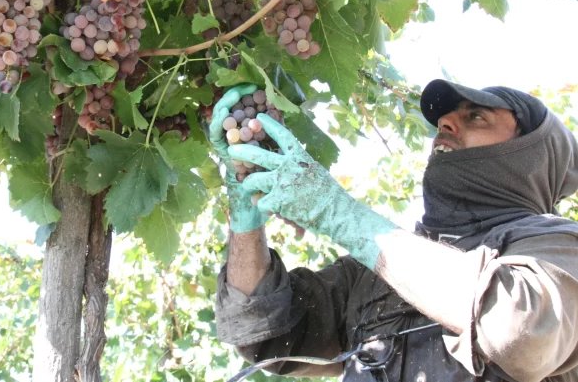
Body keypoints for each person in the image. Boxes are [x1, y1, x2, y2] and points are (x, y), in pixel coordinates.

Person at [209, 79, 578, 382]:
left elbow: (525, 331)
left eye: (477, 116)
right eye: (444, 120)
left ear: (530, 155)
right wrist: (245, 214)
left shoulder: (557, 246)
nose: (446, 124)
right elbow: (266, 335)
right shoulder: (370, 274)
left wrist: (340, 214)